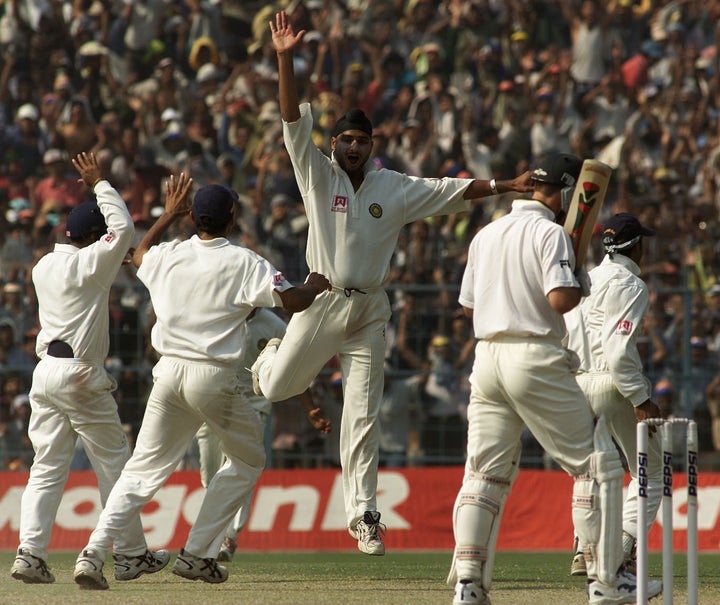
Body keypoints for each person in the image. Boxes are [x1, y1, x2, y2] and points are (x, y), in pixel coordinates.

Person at [251, 10, 533, 557]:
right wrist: (285, 58)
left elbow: (452, 189)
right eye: (345, 139)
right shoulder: (316, 173)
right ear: (333, 143)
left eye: (361, 140)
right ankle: (268, 353)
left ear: (371, 145)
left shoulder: (393, 186)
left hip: (370, 311)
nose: (352, 147)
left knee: (363, 412)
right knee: (276, 387)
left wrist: (505, 185)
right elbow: (290, 116)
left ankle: (363, 514)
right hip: (324, 304)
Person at [72, 176, 331, 589]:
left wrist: (166, 215)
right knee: (247, 461)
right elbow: (295, 301)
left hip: (169, 372)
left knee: (139, 473)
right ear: (233, 219)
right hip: (213, 376)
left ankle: (92, 553)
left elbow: (137, 253)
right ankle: (196, 554)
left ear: (193, 217)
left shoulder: (171, 254)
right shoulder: (245, 261)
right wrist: (316, 283)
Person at [447, 153, 662, 605]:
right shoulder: (552, 234)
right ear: (566, 192)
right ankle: (606, 581)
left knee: (484, 474)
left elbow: (468, 306)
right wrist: (579, 279)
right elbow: (562, 300)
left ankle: (468, 583)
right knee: (597, 465)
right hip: (535, 355)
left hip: (485, 359)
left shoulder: (485, 235)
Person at [11, 152, 167, 585]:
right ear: (95, 239)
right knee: (115, 467)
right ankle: (129, 554)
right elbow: (124, 230)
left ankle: (30, 554)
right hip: (80, 373)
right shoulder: (90, 265)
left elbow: (112, 238)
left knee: (45, 468)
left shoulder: (44, 265)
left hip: (45, 374)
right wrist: (100, 182)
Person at [564, 213, 662, 578]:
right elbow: (619, 351)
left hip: (574, 383)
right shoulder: (632, 284)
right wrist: (640, 399)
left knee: (588, 470)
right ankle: (621, 551)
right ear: (637, 246)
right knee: (650, 470)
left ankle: (583, 547)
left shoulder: (585, 277)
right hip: (611, 383)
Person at [195, 306, 332, 562]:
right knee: (210, 474)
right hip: (212, 399)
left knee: (240, 468)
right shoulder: (216, 312)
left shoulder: (274, 326)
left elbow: (294, 368)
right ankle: (215, 532)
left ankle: (228, 537)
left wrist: (310, 408)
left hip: (251, 405)